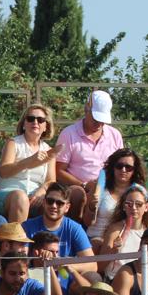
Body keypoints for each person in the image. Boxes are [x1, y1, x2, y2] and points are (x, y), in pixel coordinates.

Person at [55, 91, 124, 225]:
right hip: (77, 188)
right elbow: (58, 171)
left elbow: (121, 165)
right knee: (78, 195)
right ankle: (75, 233)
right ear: (86, 110)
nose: (99, 124)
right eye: (95, 119)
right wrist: (85, 186)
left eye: (102, 121)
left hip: (109, 186)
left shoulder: (115, 135)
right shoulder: (68, 134)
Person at [0, 102, 57, 222]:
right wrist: (28, 162)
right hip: (7, 193)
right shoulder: (13, 143)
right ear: (23, 124)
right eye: (30, 119)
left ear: (46, 127)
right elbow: (4, 172)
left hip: (35, 196)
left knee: (53, 203)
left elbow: (50, 181)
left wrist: (41, 191)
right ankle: (16, 240)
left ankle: (47, 240)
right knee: (21, 198)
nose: (35, 122)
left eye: (40, 120)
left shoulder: (49, 150)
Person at [82, 148, 147, 249]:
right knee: (98, 244)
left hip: (125, 238)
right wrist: (91, 207)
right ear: (113, 167)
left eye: (128, 167)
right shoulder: (99, 187)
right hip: (96, 238)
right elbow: (87, 222)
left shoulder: (139, 192)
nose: (123, 170)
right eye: (119, 166)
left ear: (134, 170)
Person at [101, 184, 148, 281]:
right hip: (115, 279)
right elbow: (100, 266)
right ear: (124, 206)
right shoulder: (115, 229)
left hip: (140, 281)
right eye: (129, 204)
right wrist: (114, 250)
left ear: (146, 207)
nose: (134, 208)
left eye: (139, 204)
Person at [21, 183, 94, 263]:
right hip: (35, 274)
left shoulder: (74, 228)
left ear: (67, 207)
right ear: (44, 202)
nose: (54, 206)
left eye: (59, 203)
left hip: (65, 273)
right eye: (50, 201)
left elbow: (92, 265)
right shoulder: (27, 226)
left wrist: (62, 264)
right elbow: (20, 261)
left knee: (92, 276)